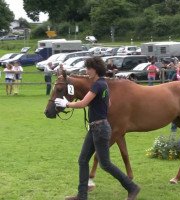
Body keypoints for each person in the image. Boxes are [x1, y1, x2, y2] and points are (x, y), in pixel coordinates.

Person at [54, 57, 140, 200]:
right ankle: (82, 195)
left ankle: (132, 187)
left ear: (95, 69)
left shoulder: (96, 85)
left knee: (105, 164)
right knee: (82, 160)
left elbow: (82, 104)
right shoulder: (103, 84)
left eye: (89, 68)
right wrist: (96, 106)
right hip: (96, 128)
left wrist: (66, 104)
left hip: (100, 129)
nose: (86, 71)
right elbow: (109, 103)